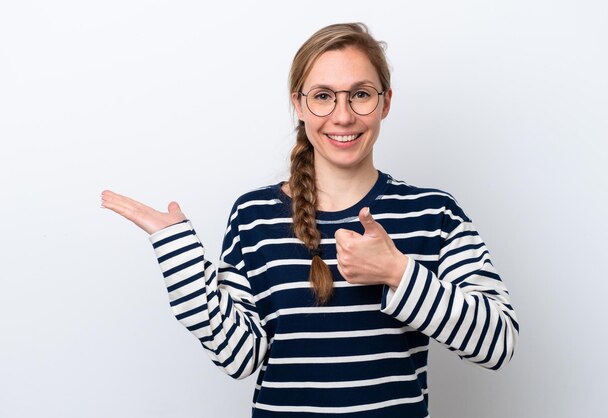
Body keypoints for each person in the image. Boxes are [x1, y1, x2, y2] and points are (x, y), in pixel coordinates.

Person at [101, 22, 518, 418]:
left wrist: (398, 271)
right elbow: (239, 355)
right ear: (298, 104)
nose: (342, 116)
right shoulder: (254, 216)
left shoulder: (433, 213)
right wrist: (179, 253)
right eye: (323, 96)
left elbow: (498, 343)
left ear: (385, 102)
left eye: (360, 94)